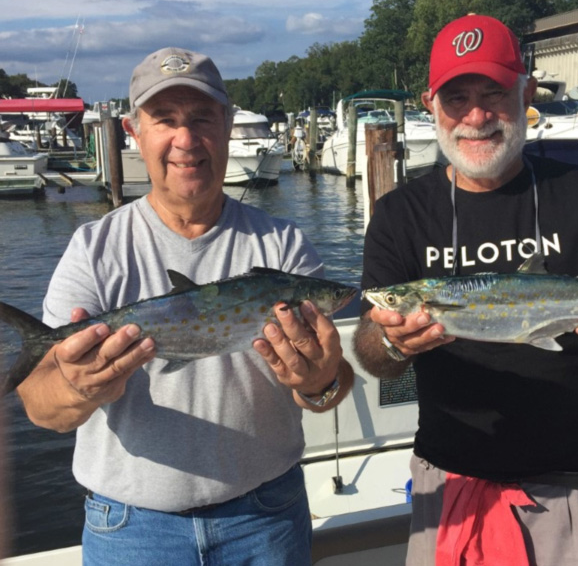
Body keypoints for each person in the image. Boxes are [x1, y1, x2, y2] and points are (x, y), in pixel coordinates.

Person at [353, 14, 578, 566]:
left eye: (494, 93)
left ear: (526, 92)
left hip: (576, 482)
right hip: (450, 484)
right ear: (430, 105)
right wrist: (392, 343)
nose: (478, 116)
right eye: (457, 97)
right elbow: (371, 346)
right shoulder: (399, 215)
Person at [16, 47, 353, 566]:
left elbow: (330, 390)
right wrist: (74, 386)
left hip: (266, 518)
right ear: (134, 131)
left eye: (201, 119)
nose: (186, 140)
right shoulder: (94, 247)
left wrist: (321, 379)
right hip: (131, 530)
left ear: (226, 123)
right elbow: (41, 406)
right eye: (165, 120)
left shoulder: (283, 246)